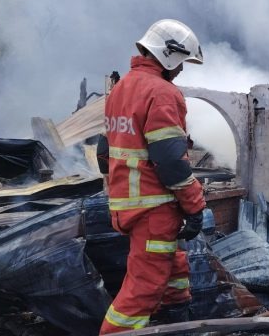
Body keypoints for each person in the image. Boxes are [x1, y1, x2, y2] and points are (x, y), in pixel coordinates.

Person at [98, 19, 206, 334]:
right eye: (183, 62)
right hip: (154, 208)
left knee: (173, 268)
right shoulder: (162, 93)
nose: (183, 70)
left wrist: (119, 186)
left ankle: (178, 321)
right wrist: (195, 206)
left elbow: (105, 151)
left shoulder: (121, 89)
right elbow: (171, 162)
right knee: (141, 291)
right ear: (169, 55)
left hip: (129, 206)